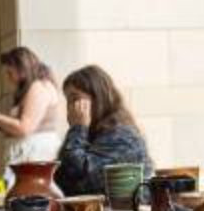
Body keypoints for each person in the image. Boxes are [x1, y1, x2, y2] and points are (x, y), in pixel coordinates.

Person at [54, 65, 152, 197]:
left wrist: (77, 128)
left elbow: (83, 179)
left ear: (98, 97)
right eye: (68, 101)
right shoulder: (90, 133)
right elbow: (61, 178)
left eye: (75, 99)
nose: (70, 108)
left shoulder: (122, 136)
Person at [0, 46, 65, 164]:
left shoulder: (38, 87)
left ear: (22, 68)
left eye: (10, 72)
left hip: (35, 158)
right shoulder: (35, 87)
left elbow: (25, 128)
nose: (8, 77)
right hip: (28, 156)